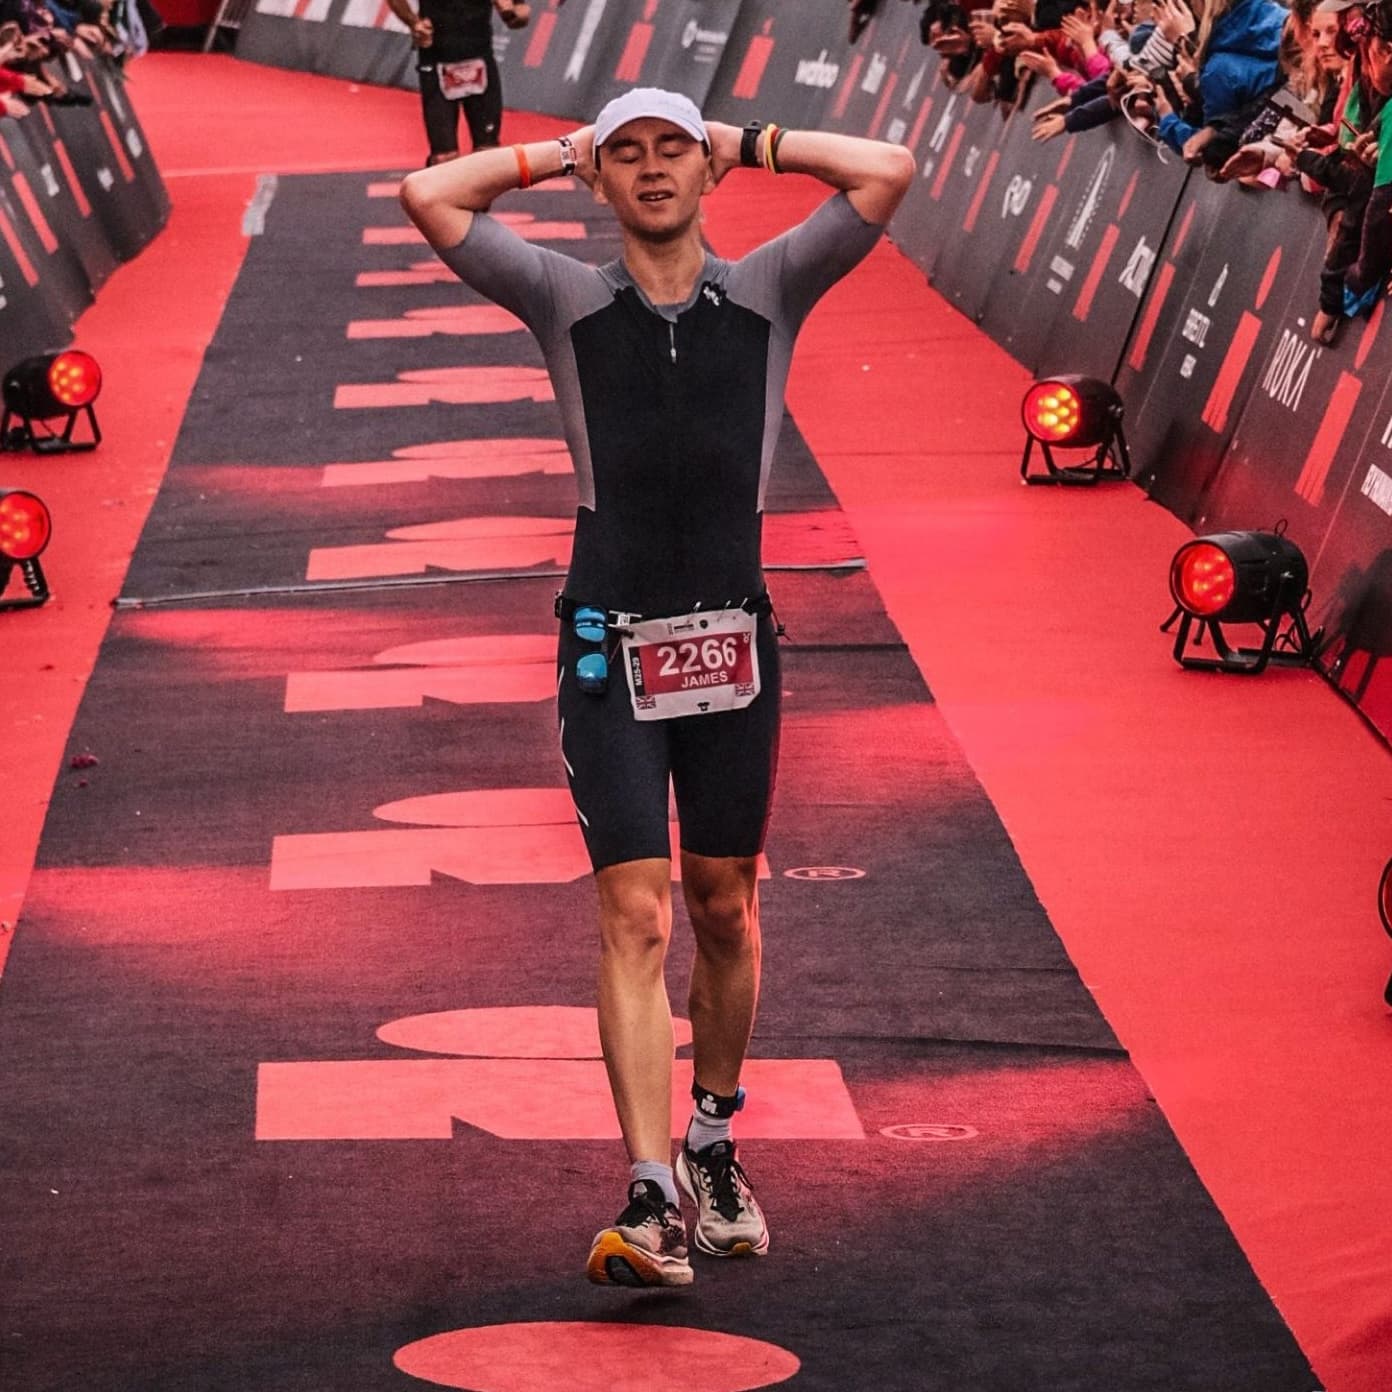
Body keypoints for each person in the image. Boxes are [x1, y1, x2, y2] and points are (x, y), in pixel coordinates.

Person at [400, 89, 913, 1288]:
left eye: (670, 150)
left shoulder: (772, 288)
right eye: (624, 156)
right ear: (600, 180)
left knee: (724, 907)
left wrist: (750, 141)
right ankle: (646, 1193)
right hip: (610, 648)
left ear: (707, 172)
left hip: (732, 646)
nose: (650, 171)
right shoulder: (567, 297)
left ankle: (715, 1141)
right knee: (635, 915)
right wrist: (552, 154)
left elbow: (885, 169)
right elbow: (431, 194)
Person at [386, 0, 530, 166]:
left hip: (479, 58)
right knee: (444, 157)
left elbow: (521, 12)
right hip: (437, 59)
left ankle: (480, 191)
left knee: (489, 153)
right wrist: (413, 22)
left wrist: (511, 13)